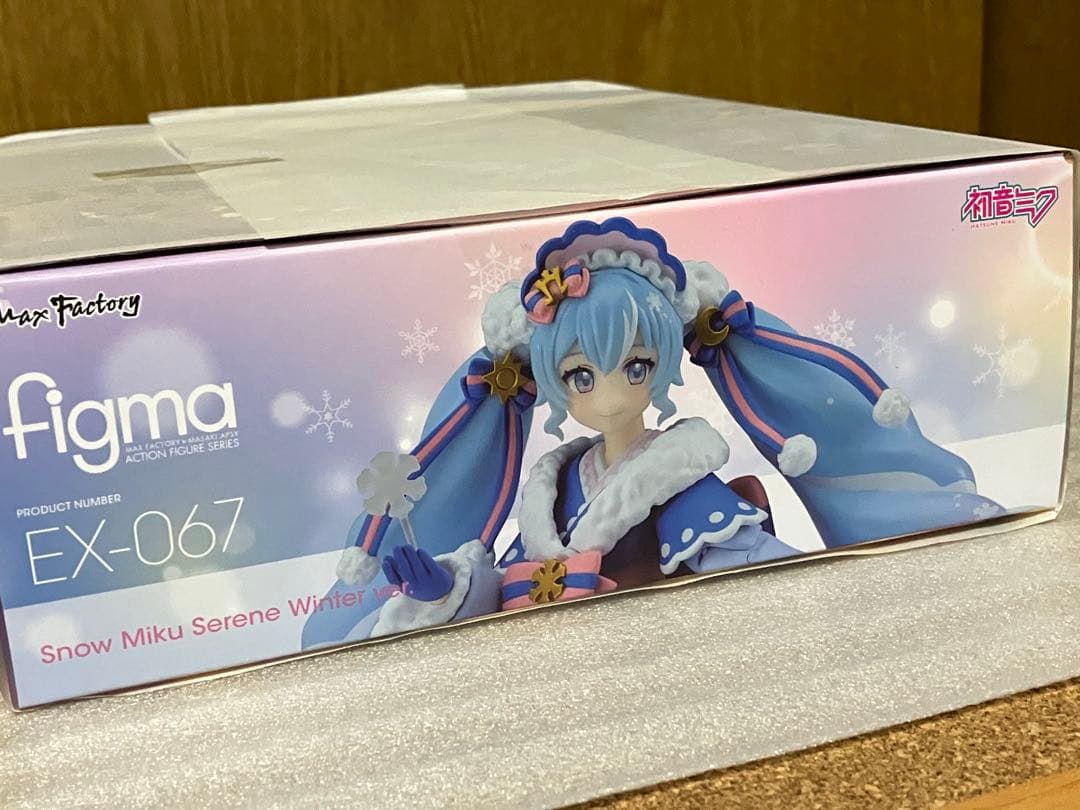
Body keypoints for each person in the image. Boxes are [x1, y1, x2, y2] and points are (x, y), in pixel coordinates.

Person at [302, 217, 1002, 646]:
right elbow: (512, 588)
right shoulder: (552, 494)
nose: (609, 395)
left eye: (634, 367)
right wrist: (445, 588)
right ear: (552, 385)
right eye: (581, 376)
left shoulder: (678, 482)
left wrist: (822, 599)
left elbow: (746, 564)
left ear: (662, 366)